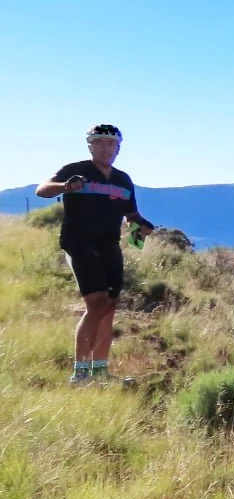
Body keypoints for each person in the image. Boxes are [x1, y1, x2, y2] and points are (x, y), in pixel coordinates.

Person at [36, 123, 157, 383]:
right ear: (90, 145)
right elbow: (42, 189)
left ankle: (100, 372)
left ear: (118, 148)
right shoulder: (76, 171)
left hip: (109, 244)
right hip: (79, 242)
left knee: (110, 306)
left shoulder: (122, 179)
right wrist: (66, 187)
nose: (105, 148)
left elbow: (130, 214)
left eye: (110, 144)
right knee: (97, 303)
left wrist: (143, 226)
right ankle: (80, 374)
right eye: (99, 142)